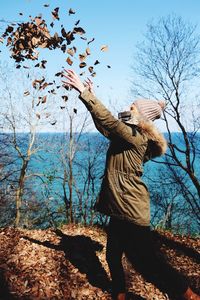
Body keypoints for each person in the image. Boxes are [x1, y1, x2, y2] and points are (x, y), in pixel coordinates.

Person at [62, 69, 200, 300]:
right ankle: (119, 295)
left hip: (132, 210)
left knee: (149, 263)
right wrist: (91, 96)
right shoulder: (128, 134)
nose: (128, 107)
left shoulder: (136, 138)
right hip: (121, 208)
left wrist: (84, 92)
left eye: (132, 107)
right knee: (113, 256)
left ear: (142, 116)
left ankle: (189, 295)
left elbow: (110, 122)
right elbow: (106, 126)